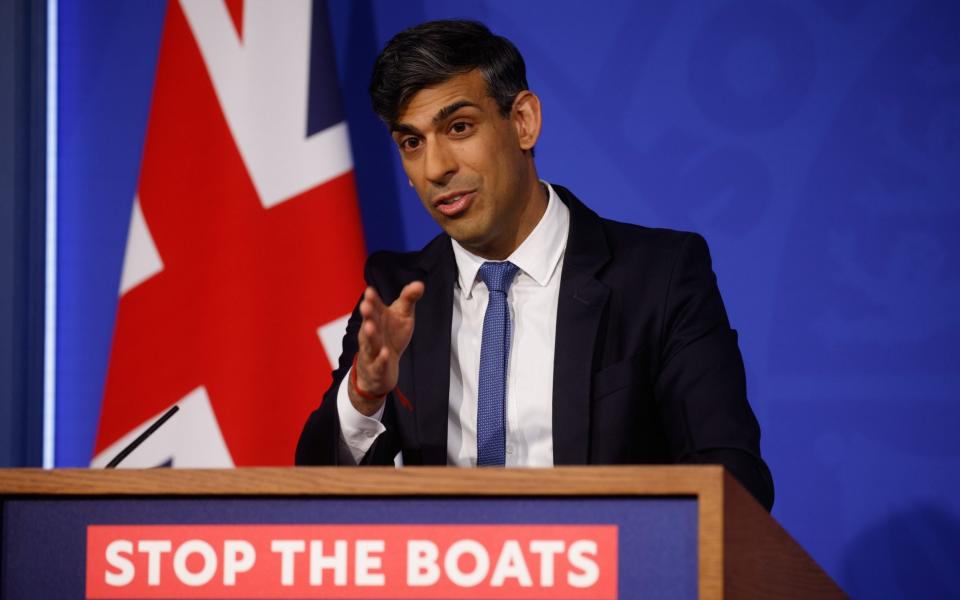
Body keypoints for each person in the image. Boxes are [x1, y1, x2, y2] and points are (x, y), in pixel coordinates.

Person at [295, 19, 774, 510]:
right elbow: (315, 500)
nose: (435, 168)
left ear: (523, 121)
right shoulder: (399, 294)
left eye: (458, 128)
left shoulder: (658, 277)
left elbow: (733, 481)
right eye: (411, 142)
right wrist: (364, 395)